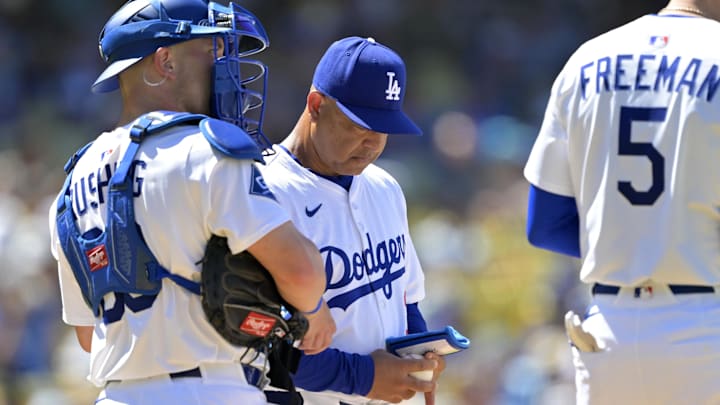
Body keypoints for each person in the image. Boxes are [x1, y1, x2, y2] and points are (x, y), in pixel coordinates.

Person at [47, 1, 335, 404]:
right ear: (165, 60)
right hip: (213, 389)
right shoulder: (205, 151)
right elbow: (303, 278)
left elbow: (86, 333)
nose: (226, 65)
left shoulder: (71, 183)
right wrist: (314, 309)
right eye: (213, 51)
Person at [524, 1, 720, 404]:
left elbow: (544, 223)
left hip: (607, 332)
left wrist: (633, 246)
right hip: (708, 321)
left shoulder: (586, 58)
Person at [258, 36, 445, 405]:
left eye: (384, 127)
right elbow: (260, 346)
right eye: (360, 126)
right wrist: (367, 378)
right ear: (316, 104)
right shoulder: (263, 193)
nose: (373, 143)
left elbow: (406, 300)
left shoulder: (385, 186)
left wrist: (422, 358)